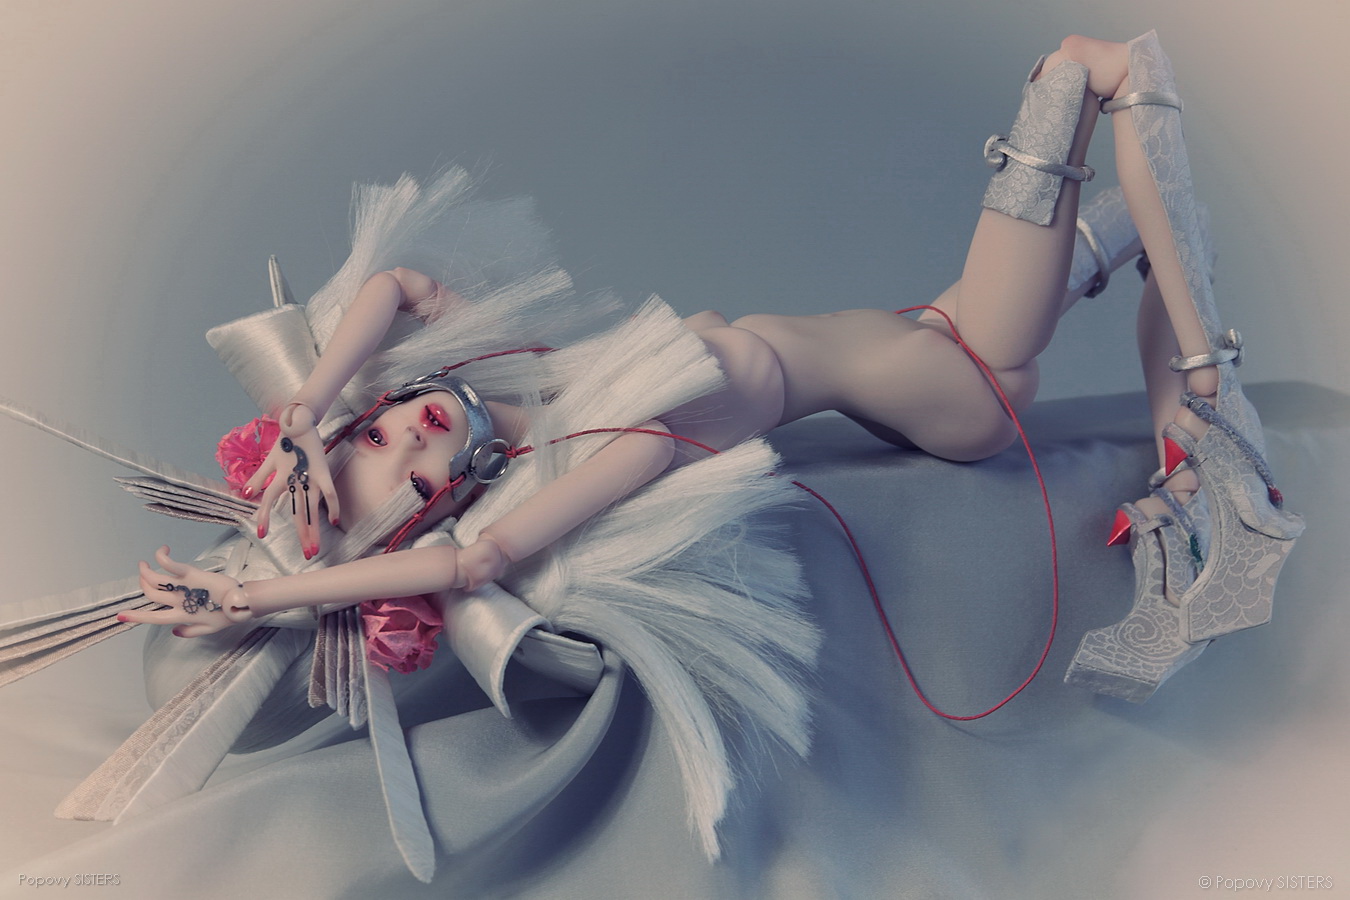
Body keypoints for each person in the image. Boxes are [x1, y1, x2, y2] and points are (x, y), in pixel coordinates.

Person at [0, 30, 1302, 881]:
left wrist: (310, 406)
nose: (409, 430)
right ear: (428, 515)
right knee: (1099, 73)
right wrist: (261, 597)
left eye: (382, 426)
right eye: (400, 475)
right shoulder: (593, 454)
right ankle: (1205, 395)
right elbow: (467, 568)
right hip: (961, 383)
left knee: (1136, 209)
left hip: (924, 322)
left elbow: (399, 285)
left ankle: (1192, 379)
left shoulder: (526, 388)